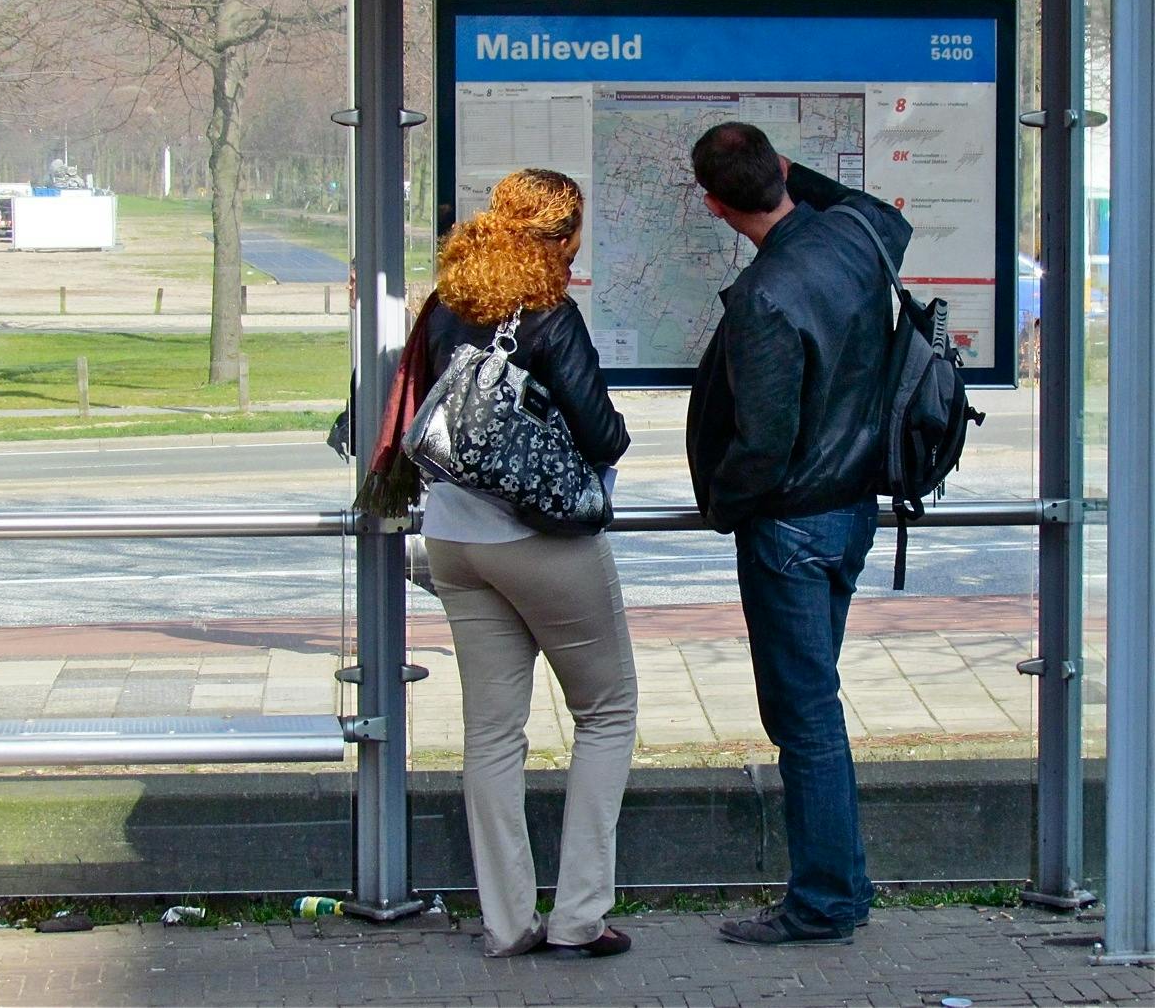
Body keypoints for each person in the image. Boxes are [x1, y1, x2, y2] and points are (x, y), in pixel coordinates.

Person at [360, 169, 636, 959]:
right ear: (560, 235)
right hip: (541, 543)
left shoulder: (447, 303)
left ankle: (508, 921)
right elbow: (603, 435)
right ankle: (581, 912)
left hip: (453, 539)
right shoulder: (547, 313)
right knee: (608, 710)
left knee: (491, 734)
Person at [686, 123, 911, 947]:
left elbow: (765, 442)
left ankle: (822, 902)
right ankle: (841, 889)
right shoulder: (857, 235)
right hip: (852, 510)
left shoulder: (764, 298)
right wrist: (783, 174)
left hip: (791, 527)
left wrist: (722, 506)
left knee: (805, 717)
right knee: (817, 708)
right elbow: (868, 209)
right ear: (785, 170)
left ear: (713, 205)